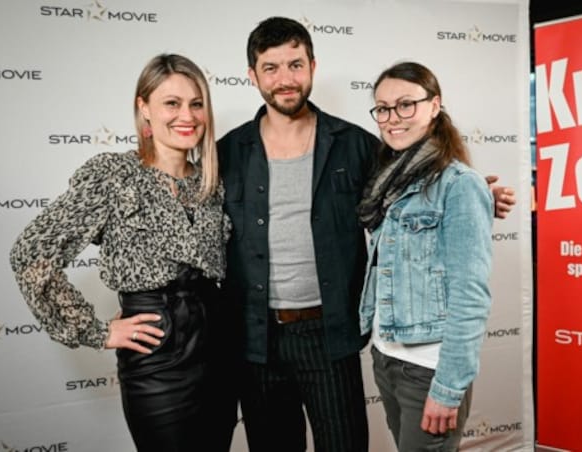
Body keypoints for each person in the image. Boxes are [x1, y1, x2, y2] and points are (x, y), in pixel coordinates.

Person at [218, 17, 515, 452]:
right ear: (252, 75)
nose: (285, 79)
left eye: (295, 65)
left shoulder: (356, 144)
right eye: (271, 67)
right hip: (257, 337)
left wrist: (476, 195)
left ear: (313, 67)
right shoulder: (227, 152)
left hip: (329, 333)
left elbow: (407, 190)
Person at [9, 54, 237, 452]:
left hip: (219, 352)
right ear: (143, 107)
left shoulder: (210, 184)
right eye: (172, 103)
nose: (187, 115)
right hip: (158, 361)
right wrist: (96, 330)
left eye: (196, 103)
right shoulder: (114, 175)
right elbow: (31, 252)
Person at [356, 61, 494, 452]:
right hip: (386, 358)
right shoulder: (390, 180)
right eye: (382, 108)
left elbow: (471, 296)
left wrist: (449, 387)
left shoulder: (460, 186)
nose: (391, 118)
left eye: (405, 105)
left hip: (428, 369)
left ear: (435, 105)